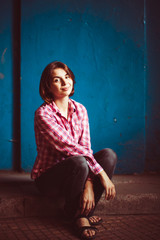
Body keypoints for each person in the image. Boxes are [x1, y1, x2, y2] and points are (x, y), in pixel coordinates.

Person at [31, 61, 117, 239]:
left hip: (79, 170)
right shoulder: (43, 114)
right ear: (47, 86)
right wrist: (99, 175)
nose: (65, 83)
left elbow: (85, 148)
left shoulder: (81, 110)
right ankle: (78, 216)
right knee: (79, 161)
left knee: (109, 155)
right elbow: (69, 148)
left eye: (67, 77)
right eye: (57, 79)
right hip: (50, 179)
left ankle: (82, 211)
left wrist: (89, 182)